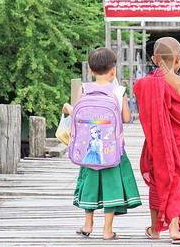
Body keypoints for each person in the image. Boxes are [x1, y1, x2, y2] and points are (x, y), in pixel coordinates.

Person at [62, 47, 141, 240]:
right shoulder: (119, 90)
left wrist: (68, 108)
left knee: (89, 184)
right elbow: (127, 118)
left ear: (90, 71)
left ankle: (88, 224)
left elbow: (80, 116)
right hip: (112, 151)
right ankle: (107, 230)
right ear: (113, 70)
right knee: (112, 186)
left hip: (88, 151)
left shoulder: (84, 88)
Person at [134, 37, 180, 244]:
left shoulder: (144, 84)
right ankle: (175, 229)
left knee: (158, 181)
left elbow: (144, 109)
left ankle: (154, 229)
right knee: (179, 179)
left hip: (157, 141)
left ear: (154, 60)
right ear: (178, 60)